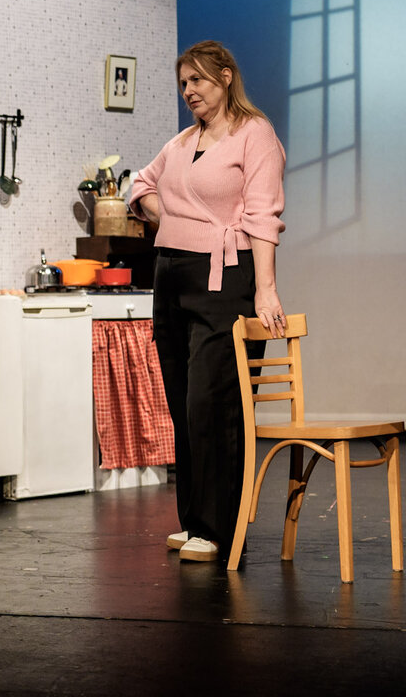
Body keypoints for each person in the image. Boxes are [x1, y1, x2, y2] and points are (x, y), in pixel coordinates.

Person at [127, 40, 286, 564]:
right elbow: (139, 185)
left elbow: (263, 215)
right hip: (171, 274)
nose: (188, 91)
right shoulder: (182, 141)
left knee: (212, 402)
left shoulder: (254, 134)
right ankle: (195, 520)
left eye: (197, 80)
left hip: (226, 276)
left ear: (225, 76)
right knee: (181, 400)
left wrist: (265, 288)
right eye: (183, 83)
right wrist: (169, 214)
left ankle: (219, 527)